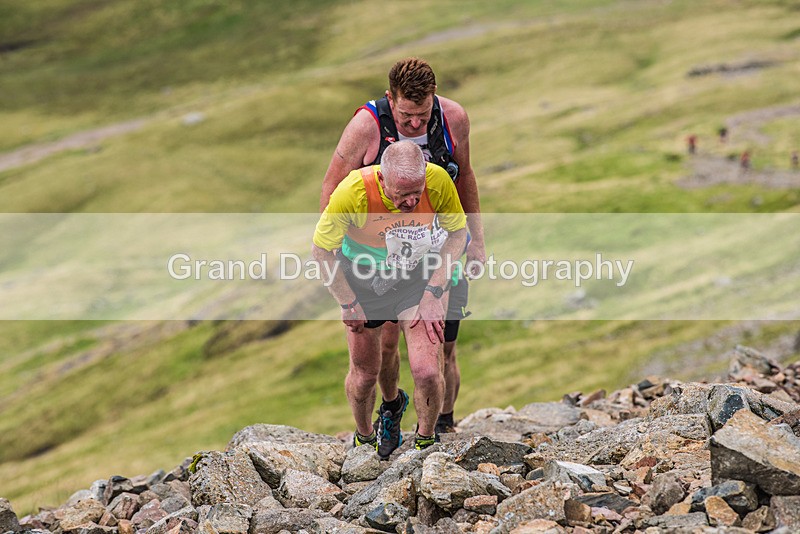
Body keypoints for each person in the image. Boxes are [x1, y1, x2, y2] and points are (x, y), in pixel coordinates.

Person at [319, 57, 485, 437]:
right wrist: (337, 257)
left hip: (440, 246)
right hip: (379, 257)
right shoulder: (366, 126)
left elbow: (467, 176)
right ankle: (392, 407)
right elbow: (332, 188)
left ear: (434, 99)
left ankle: (443, 426)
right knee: (387, 347)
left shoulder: (454, 118)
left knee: (440, 345)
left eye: (423, 115)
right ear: (391, 100)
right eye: (407, 115)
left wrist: (476, 241)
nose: (415, 125)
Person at [312, 141, 467, 458]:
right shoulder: (352, 193)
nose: (411, 201)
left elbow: (457, 234)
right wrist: (347, 302)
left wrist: (434, 291)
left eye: (416, 192)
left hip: (415, 278)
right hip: (364, 283)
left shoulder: (437, 181)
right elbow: (320, 251)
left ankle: (425, 443)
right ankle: (365, 437)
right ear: (383, 180)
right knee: (365, 374)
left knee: (426, 370)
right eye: (402, 194)